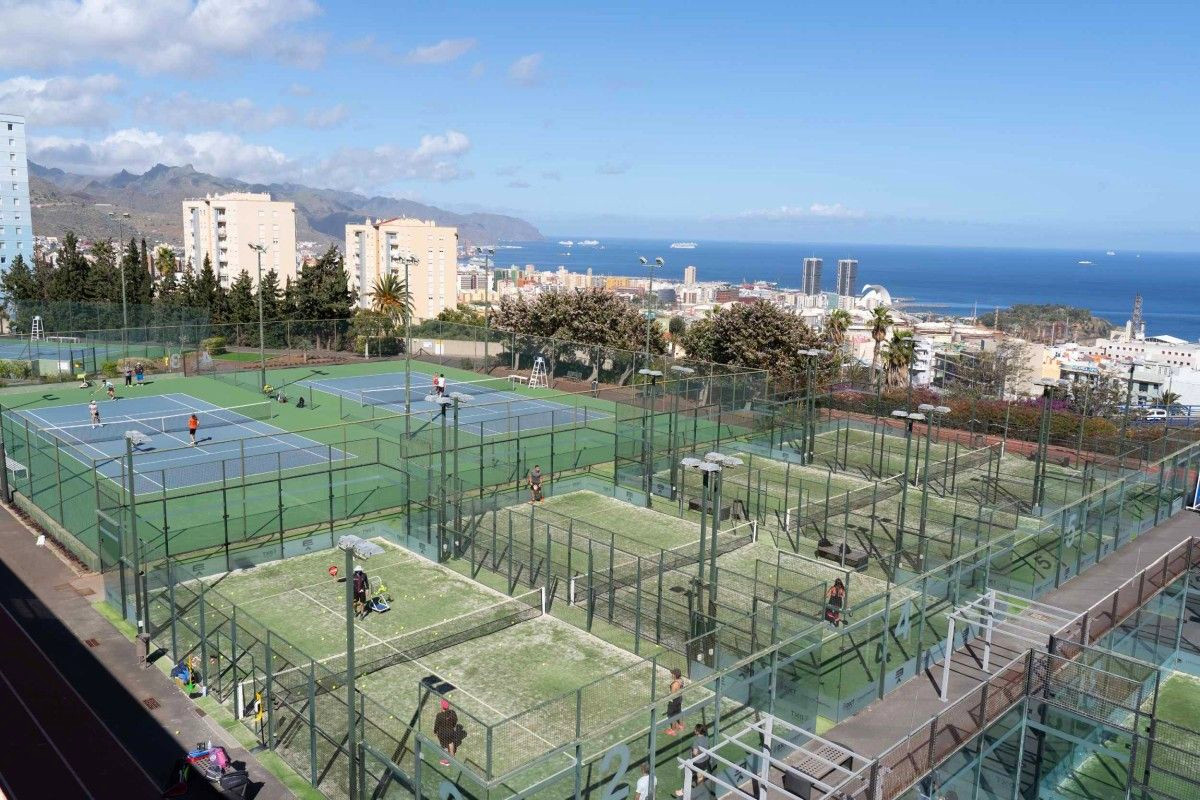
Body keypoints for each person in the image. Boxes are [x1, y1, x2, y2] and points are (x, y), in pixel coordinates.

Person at [674, 723, 710, 797]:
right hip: (705, 760)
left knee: (687, 774)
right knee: (700, 775)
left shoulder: (696, 741)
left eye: (695, 729)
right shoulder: (706, 737)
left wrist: (695, 754)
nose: (694, 730)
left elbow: (695, 752)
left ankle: (683, 791)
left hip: (697, 762)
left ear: (697, 731)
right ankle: (699, 789)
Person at [433, 698, 459, 766]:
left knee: (444, 746)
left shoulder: (439, 715)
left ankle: (447, 761)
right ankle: (452, 756)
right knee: (450, 743)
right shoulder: (452, 713)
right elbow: (455, 720)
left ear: (441, 707)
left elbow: (436, 724)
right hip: (450, 732)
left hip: (442, 734)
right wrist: (453, 726)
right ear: (448, 707)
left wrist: (435, 731)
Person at [664, 668, 685, 735]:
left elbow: (672, 695)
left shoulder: (674, 684)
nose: (671, 675)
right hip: (679, 699)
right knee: (678, 712)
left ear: (675, 675)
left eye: (672, 674)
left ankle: (673, 730)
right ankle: (681, 726)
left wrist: (667, 697)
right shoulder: (681, 680)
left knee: (670, 715)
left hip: (674, 701)